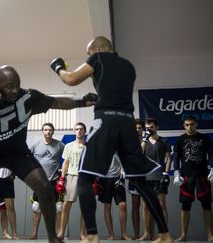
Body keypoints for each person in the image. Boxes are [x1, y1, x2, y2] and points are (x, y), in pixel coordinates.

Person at [0, 65, 95, 243]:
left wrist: (81, 102)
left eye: (17, 84)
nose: (15, 90)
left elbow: (57, 103)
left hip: (18, 152)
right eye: (9, 86)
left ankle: (53, 237)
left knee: (45, 187)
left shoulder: (28, 97)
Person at [50, 36, 172, 243]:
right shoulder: (129, 66)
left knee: (85, 178)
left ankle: (91, 235)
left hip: (106, 121)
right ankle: (165, 234)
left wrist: (58, 67)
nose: (89, 57)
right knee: (140, 181)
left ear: (98, 49)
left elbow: (70, 79)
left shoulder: (98, 58)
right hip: (127, 124)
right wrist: (99, 96)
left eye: (89, 53)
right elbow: (113, 90)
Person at [173, 116, 213, 242]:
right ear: (184, 125)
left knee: (206, 205)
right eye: (187, 124)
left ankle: (210, 235)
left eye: (192, 124)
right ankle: (183, 235)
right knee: (185, 205)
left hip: (202, 176)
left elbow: (211, 155)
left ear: (196, 124)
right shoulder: (180, 140)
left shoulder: (204, 138)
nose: (189, 127)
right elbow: (176, 158)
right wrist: (176, 172)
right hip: (186, 177)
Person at [29, 123, 65, 239]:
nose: (48, 132)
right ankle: (34, 233)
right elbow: (27, 159)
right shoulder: (35, 145)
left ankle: (59, 234)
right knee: (36, 207)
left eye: (50, 130)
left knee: (58, 207)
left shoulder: (59, 145)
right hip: (40, 181)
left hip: (54, 180)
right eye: (45, 130)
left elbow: (67, 159)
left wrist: (62, 175)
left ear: (53, 132)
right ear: (42, 131)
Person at [139, 118, 171, 240]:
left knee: (161, 204)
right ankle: (147, 233)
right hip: (146, 177)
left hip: (159, 176)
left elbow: (168, 158)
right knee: (146, 206)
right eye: (147, 128)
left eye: (151, 127)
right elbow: (140, 155)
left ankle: (163, 233)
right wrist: (145, 139)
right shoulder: (143, 141)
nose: (149, 129)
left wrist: (166, 173)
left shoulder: (164, 141)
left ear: (156, 127)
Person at [57, 122, 87, 240]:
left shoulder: (89, 146)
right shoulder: (69, 145)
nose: (79, 131)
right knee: (66, 205)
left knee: (85, 206)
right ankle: (61, 233)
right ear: (74, 131)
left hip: (85, 178)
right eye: (77, 129)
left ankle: (82, 234)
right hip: (72, 176)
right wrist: (62, 178)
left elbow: (92, 163)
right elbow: (66, 163)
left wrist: (94, 179)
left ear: (84, 131)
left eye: (81, 129)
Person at [98, 154, 130, 240]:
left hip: (118, 177)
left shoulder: (117, 143)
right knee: (107, 206)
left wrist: (123, 173)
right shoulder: (99, 144)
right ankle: (111, 234)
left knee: (122, 205)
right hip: (104, 178)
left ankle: (124, 234)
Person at [128, 119, 144, 239]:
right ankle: (137, 234)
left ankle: (150, 233)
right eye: (135, 128)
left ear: (143, 129)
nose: (137, 130)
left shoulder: (148, 141)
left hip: (148, 177)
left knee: (149, 206)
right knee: (135, 206)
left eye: (139, 128)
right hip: (134, 177)